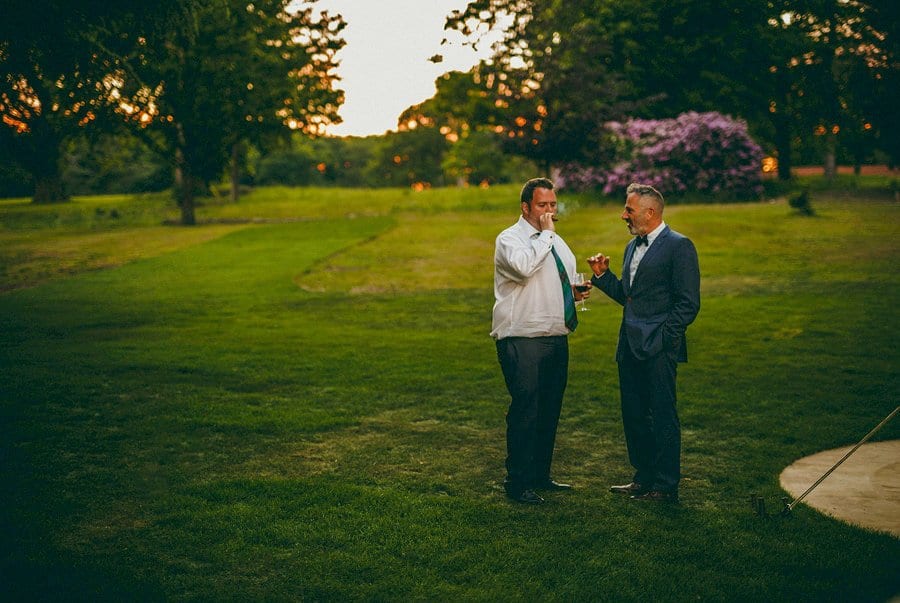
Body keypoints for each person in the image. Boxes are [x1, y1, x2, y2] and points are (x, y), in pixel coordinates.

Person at [588, 183, 700, 503]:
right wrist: (602, 277)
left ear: (650, 212)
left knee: (663, 415)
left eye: (629, 210)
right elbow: (630, 297)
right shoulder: (631, 247)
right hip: (629, 345)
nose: (624, 215)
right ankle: (644, 476)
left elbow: (688, 303)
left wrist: (666, 339)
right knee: (634, 415)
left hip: (659, 348)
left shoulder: (679, 246)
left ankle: (665, 485)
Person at [491, 177, 589, 504]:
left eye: (552, 205)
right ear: (526, 207)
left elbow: (551, 281)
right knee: (526, 410)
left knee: (549, 410)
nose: (549, 211)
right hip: (521, 337)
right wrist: (547, 233)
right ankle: (517, 483)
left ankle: (540, 476)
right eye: (542, 205)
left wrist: (573, 293)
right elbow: (523, 269)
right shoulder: (510, 239)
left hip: (555, 336)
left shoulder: (556, 242)